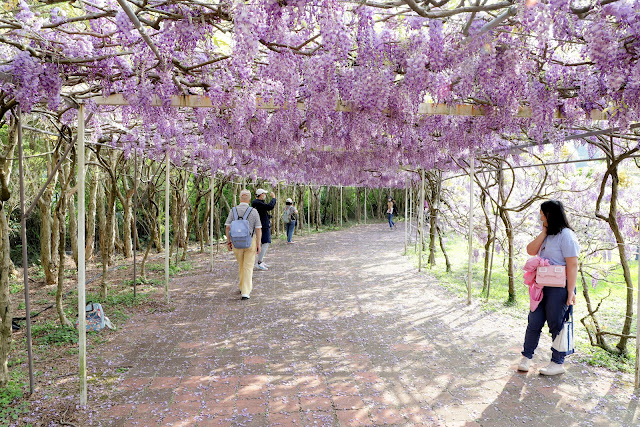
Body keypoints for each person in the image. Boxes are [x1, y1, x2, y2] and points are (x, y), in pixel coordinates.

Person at [518, 200, 580, 375]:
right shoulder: (548, 234)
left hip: (559, 288)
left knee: (556, 323)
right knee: (534, 321)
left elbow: (573, 264)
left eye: (542, 214)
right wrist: (544, 232)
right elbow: (531, 250)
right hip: (541, 285)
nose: (540, 217)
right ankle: (527, 357)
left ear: (550, 215)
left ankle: (557, 362)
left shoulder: (567, 235)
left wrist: (570, 292)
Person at [225, 189, 262, 300]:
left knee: (241, 265)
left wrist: (228, 241)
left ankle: (242, 286)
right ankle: (245, 292)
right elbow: (258, 229)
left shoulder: (233, 210)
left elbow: (227, 227)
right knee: (248, 266)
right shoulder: (253, 211)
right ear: (250, 199)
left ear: (240, 198)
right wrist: (258, 244)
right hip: (250, 241)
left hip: (236, 242)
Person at [251, 189, 276, 270]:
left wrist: (268, 217)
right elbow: (270, 207)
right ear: (261, 194)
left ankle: (260, 261)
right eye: (264, 194)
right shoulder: (257, 203)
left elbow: (262, 213)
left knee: (264, 243)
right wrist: (273, 198)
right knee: (265, 242)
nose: (265, 195)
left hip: (262, 225)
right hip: (263, 226)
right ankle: (259, 262)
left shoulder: (258, 203)